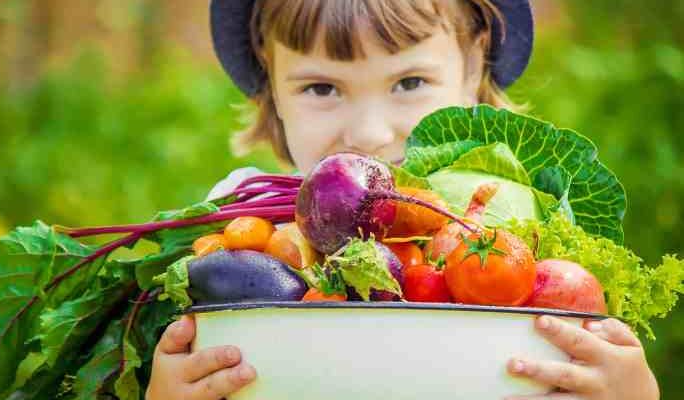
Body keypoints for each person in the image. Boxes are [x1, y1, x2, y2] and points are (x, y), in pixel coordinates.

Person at [146, 1, 660, 399]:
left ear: (473, 63)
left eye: (409, 82)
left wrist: (631, 392)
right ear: (271, 79)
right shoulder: (238, 224)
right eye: (321, 88)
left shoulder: (527, 236)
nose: (369, 134)